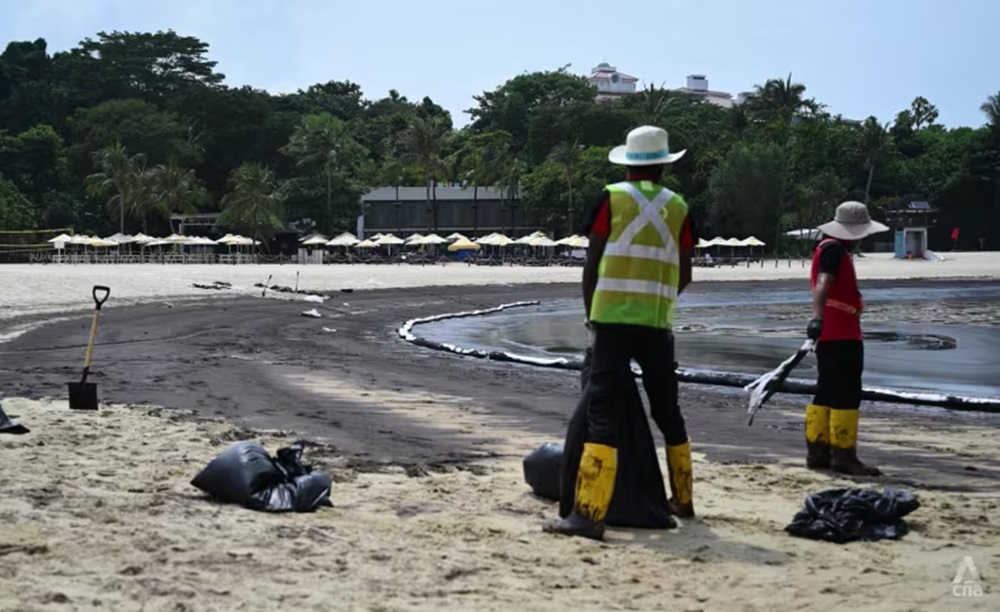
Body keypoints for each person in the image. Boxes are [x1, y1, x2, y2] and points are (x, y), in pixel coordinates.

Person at [544, 125, 697, 541]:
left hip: (612, 321)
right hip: (657, 324)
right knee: (668, 411)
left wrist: (592, 314)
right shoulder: (680, 207)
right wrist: (661, 302)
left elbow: (591, 264)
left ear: (628, 164)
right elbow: (684, 272)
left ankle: (588, 514)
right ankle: (683, 498)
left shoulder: (611, 199)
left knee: (602, 415)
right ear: (664, 164)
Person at [805, 201, 889, 476]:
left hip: (830, 333)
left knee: (826, 390)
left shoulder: (826, 248)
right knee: (848, 392)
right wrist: (816, 318)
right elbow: (822, 285)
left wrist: (819, 322)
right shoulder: (835, 251)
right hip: (841, 333)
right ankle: (843, 455)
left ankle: (818, 452)